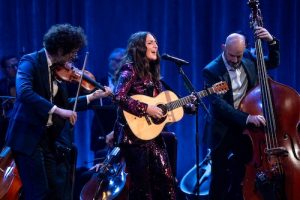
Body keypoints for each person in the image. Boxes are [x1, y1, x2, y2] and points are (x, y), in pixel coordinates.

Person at [5, 24, 112, 200]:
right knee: (36, 193)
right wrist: (57, 110)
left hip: (47, 139)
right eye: (72, 52)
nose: (74, 58)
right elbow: (24, 93)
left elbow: (66, 104)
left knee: (51, 192)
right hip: (27, 138)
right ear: (61, 49)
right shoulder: (30, 62)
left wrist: (92, 97)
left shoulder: (59, 70)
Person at [202, 27, 280, 200]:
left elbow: (273, 63)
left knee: (243, 176)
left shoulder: (248, 58)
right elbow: (218, 105)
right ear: (223, 47)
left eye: (239, 55)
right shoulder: (211, 70)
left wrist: (272, 42)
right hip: (223, 129)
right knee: (220, 180)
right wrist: (246, 118)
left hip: (247, 131)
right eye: (232, 55)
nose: (236, 60)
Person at [112, 31, 177, 200]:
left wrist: (187, 105)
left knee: (167, 181)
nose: (156, 45)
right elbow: (118, 96)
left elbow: (160, 103)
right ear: (139, 48)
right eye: (150, 43)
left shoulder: (153, 75)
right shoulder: (130, 69)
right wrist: (145, 108)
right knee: (142, 187)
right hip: (133, 137)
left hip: (152, 136)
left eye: (156, 42)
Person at [90, 47, 125, 163]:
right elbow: (92, 102)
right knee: (99, 166)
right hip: (101, 130)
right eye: (112, 60)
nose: (114, 63)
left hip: (122, 130)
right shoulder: (98, 81)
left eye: (118, 60)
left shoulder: (128, 82)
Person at [0, 55, 18, 150]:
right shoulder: (1, 85)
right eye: (11, 67)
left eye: (17, 65)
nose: (15, 68)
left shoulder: (29, 82)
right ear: (4, 70)